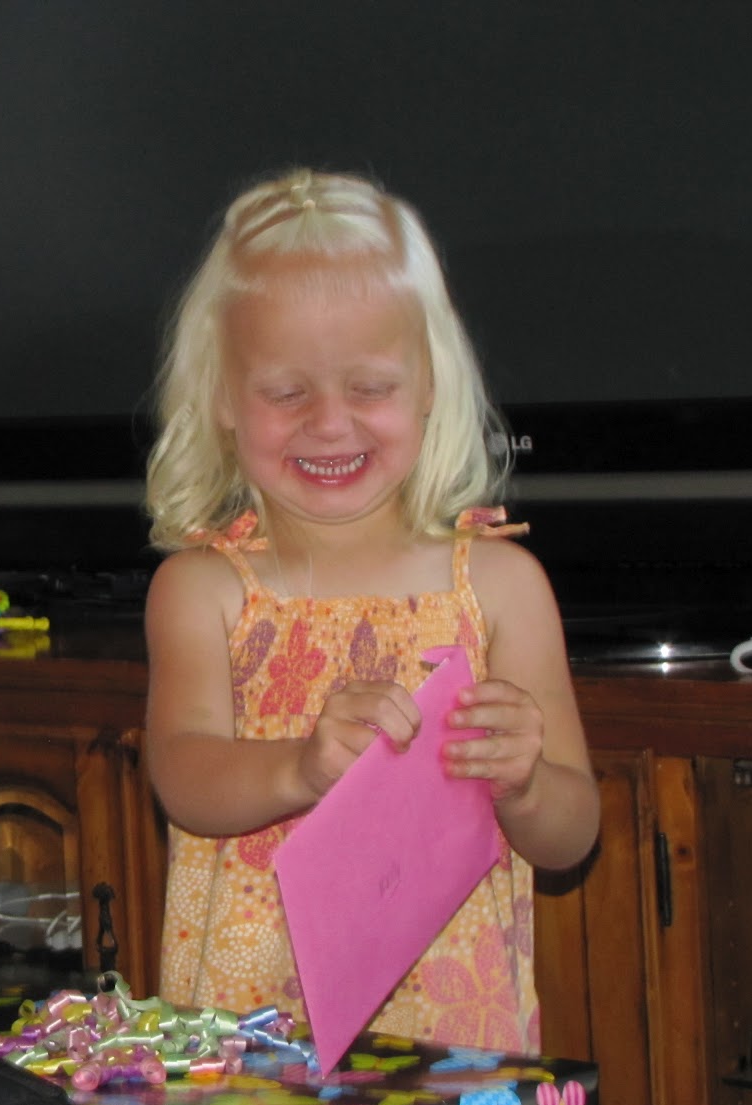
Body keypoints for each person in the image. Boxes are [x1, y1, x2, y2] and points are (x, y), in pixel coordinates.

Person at [142, 168, 600, 1054]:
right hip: (253, 1047)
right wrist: (299, 768)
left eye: (371, 387)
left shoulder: (501, 585)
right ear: (222, 399)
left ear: (430, 385)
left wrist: (526, 784)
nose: (330, 423)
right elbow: (183, 775)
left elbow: (571, 834)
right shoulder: (203, 590)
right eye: (287, 392)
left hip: (454, 1049)